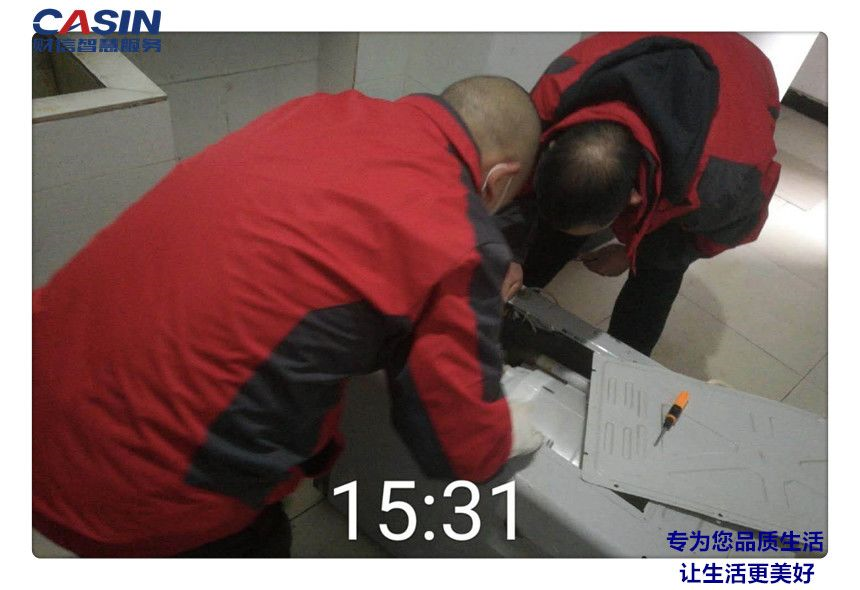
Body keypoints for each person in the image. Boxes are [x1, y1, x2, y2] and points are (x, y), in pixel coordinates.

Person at [32, 76, 543, 557]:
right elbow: (457, 442)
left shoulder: (317, 111)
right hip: (147, 489)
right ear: (499, 180)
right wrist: (506, 430)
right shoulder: (460, 233)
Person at [499, 33, 782, 356]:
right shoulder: (551, 99)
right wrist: (509, 256)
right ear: (550, 146)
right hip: (672, 40)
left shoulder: (725, 185)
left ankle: (625, 366)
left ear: (633, 199)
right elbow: (521, 190)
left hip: (743, 75)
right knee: (559, 218)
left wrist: (631, 252)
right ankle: (515, 302)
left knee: (658, 270)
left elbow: (715, 237)